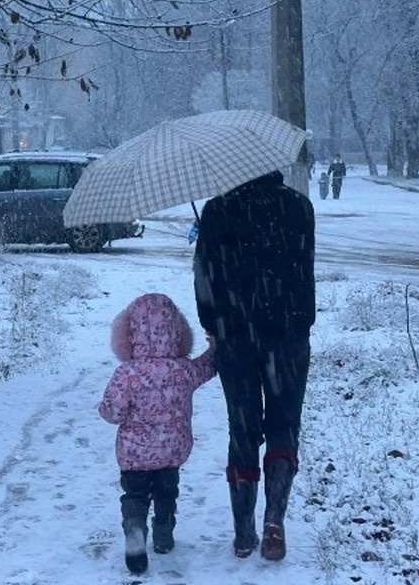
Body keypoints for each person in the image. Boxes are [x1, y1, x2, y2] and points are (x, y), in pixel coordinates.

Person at [192, 170, 315, 561]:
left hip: (236, 336)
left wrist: (212, 324)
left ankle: (243, 531)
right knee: (283, 424)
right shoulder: (299, 206)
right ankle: (274, 520)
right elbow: (304, 268)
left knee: (242, 427)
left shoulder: (217, 210)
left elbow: (204, 277)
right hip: (289, 336)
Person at [98, 293, 216, 576]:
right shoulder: (183, 370)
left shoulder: (127, 373)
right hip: (171, 453)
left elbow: (112, 413)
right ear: (178, 331)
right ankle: (164, 535)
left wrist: (106, 409)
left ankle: (135, 529)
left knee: (135, 495)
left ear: (128, 334)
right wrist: (216, 347)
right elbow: (208, 367)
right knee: (167, 493)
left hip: (134, 455)